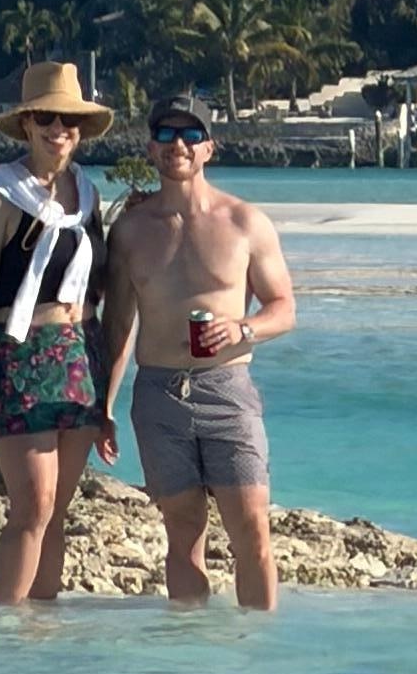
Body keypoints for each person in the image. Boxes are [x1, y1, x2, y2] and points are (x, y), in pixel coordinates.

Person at [100, 92, 297, 611]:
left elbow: (284, 308)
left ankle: (258, 643)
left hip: (227, 390)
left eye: (191, 134)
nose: (178, 145)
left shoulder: (244, 222)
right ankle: (190, 647)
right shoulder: (130, 230)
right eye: (166, 134)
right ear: (150, 147)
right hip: (158, 393)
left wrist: (243, 330)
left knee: (251, 529)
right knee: (182, 532)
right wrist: (103, 406)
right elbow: (117, 324)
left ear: (209, 147)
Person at [0, 60, 116, 605]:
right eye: (46, 118)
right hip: (17, 357)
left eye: (69, 120)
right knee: (32, 507)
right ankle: (7, 627)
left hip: (81, 357)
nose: (58, 129)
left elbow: (103, 282)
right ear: (26, 124)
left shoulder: (88, 194)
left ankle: (43, 626)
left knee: (58, 511)